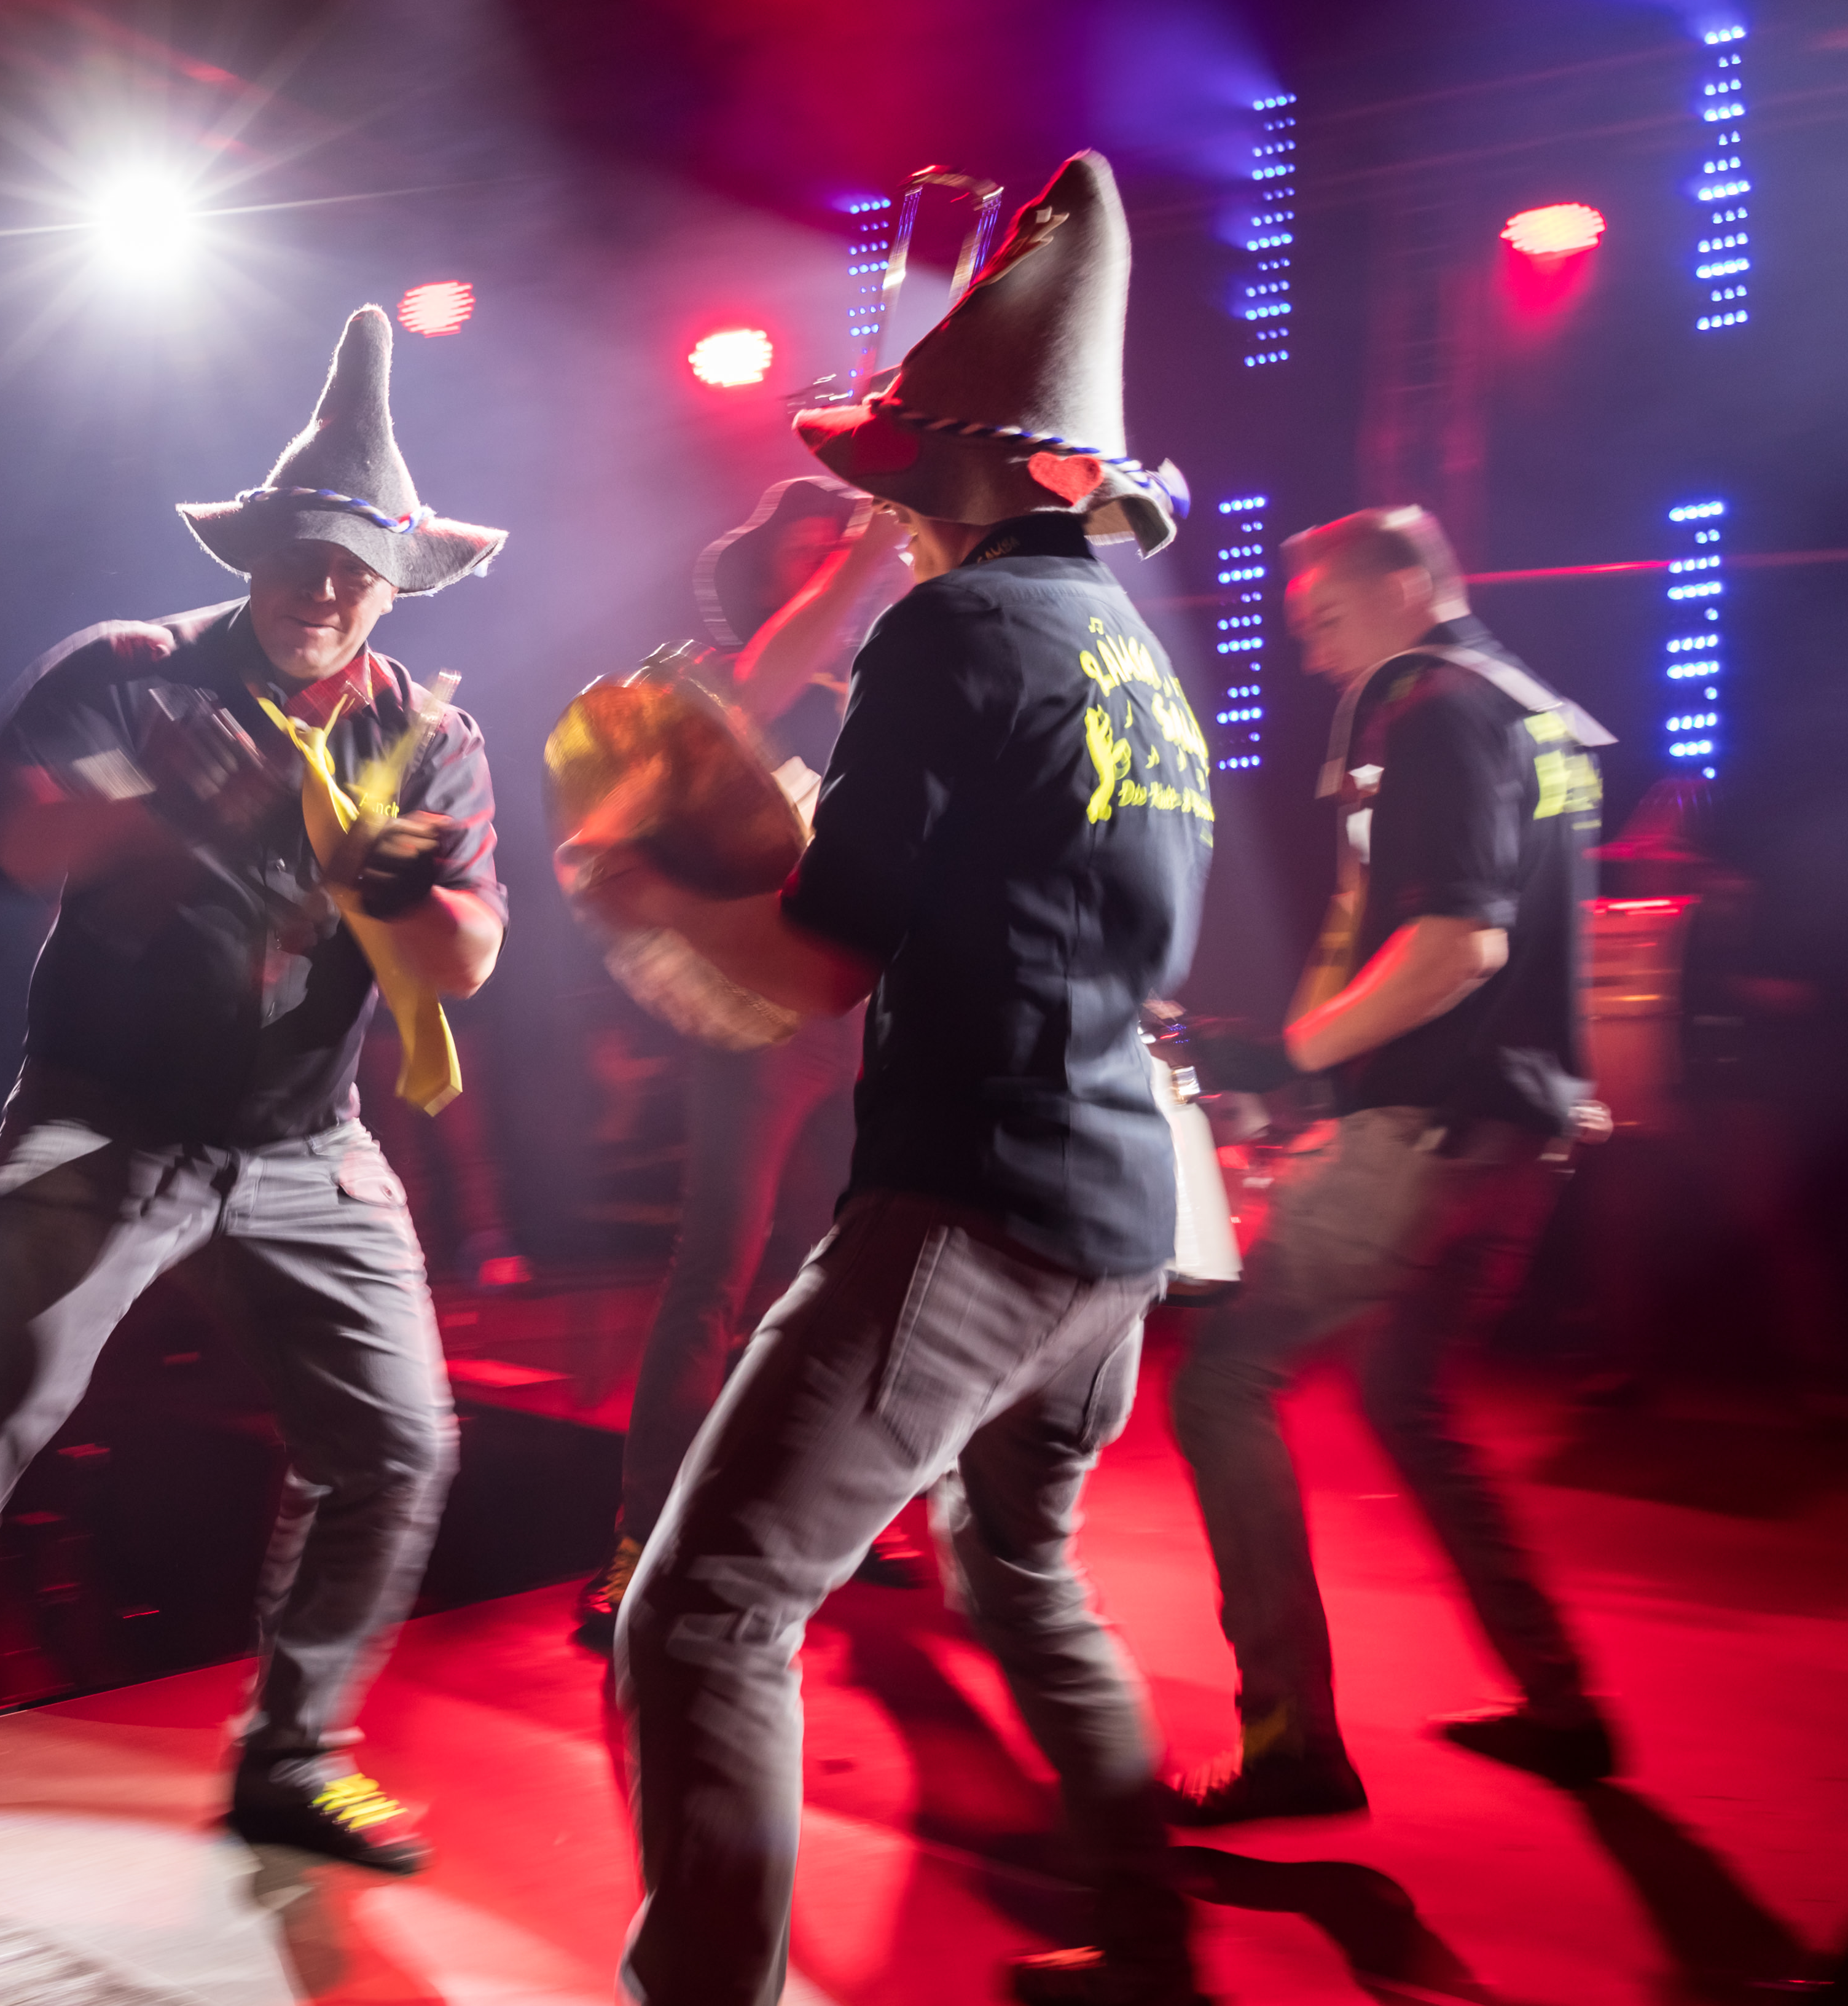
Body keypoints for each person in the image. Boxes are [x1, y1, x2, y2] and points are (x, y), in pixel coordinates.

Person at [0, 306, 508, 1892]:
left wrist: (406, 888)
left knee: (400, 1445)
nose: (326, 589)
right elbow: (8, 840)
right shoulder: (130, 672)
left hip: (303, 1141)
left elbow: (467, 960)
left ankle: (296, 1758)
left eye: (356, 569)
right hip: (102, 1117)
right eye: (304, 556)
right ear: (256, 552)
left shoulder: (429, 732)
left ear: (396, 583)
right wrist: (169, 815)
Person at [566, 154, 1215, 2006]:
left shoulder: (949, 636)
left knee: (705, 1610)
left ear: (950, 475)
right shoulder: (1135, 658)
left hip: (976, 1202)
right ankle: (1151, 1955)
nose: (886, 512)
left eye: (902, 476)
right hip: (1124, 1214)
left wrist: (638, 890)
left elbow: (814, 963)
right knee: (1019, 1574)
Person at [1165, 504, 1620, 1829]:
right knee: (1405, 1399)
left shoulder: (1433, 712)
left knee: (1222, 1382)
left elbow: (1456, 945)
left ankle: (1291, 1739)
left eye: (1325, 618)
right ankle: (1562, 1701)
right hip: (1519, 1126)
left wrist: (1288, 1060)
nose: (1311, 651)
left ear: (1411, 585)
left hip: (1433, 1125)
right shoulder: (1531, 707)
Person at [570, 477, 915, 1653]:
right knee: (715, 1269)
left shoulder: (868, 685)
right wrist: (868, 545)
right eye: (810, 544)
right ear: (763, 571)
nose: (840, 554)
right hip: (759, 1023)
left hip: (860, 1015)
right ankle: (641, 1542)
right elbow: (760, 692)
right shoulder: (721, 684)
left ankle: (824, 1518)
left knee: (836, 1278)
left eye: (839, 540)